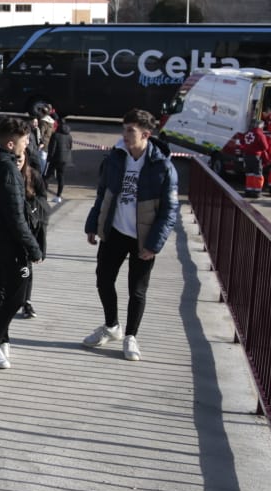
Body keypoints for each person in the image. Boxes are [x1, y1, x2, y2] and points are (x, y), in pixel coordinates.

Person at [83, 108, 179, 362]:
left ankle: (131, 337)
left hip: (143, 238)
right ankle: (112, 326)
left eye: (130, 130)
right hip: (114, 231)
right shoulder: (116, 157)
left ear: (146, 134)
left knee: (137, 290)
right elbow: (103, 193)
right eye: (124, 129)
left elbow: (170, 211)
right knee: (103, 280)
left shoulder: (163, 166)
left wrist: (154, 244)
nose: (124, 135)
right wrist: (93, 224)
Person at [0, 117, 42, 369]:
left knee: (1, 293)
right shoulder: (6, 169)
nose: (26, 147)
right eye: (25, 142)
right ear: (11, 143)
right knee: (17, 296)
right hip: (9, 243)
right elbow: (15, 216)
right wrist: (33, 247)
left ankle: (2, 340)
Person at [16, 146, 51, 318]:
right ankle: (9, 296)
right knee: (8, 269)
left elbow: (44, 201)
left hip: (27, 228)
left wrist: (32, 208)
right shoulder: (3, 175)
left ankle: (26, 302)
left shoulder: (33, 176)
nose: (17, 162)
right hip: (6, 230)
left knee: (26, 267)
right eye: (13, 158)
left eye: (20, 159)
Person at [44, 118, 72, 204]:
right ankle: (58, 196)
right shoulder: (69, 135)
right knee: (61, 177)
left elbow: (52, 148)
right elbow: (70, 146)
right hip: (65, 159)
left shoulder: (55, 135)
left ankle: (43, 195)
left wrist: (49, 158)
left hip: (55, 158)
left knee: (46, 177)